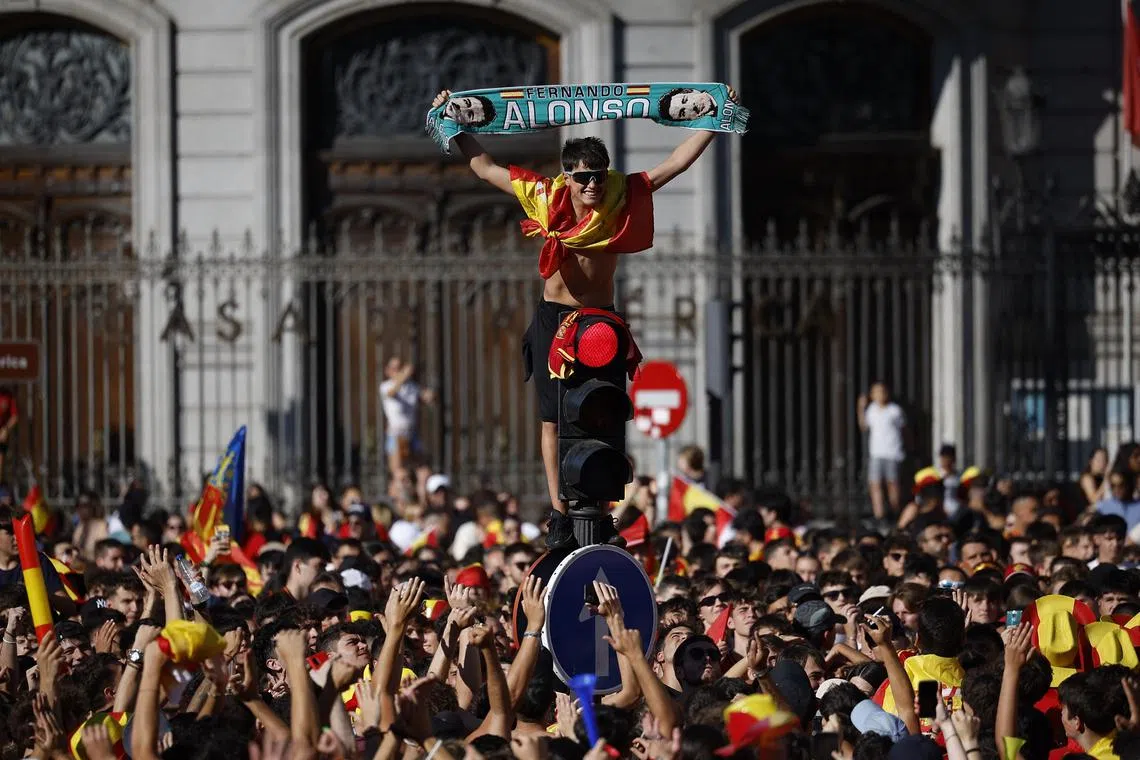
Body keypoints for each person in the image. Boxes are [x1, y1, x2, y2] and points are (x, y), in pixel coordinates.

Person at [433, 86, 735, 547]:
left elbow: (675, 162)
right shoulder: (543, 196)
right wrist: (451, 119)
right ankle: (558, 514)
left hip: (600, 323)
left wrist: (714, 118)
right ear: (567, 177)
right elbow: (484, 166)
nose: (592, 183)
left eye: (598, 174)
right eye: (583, 177)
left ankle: (606, 508)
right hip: (556, 320)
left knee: (608, 416)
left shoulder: (618, 194)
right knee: (552, 422)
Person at [857, 382, 906, 524]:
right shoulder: (871, 410)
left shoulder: (894, 410)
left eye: (882, 391)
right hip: (876, 453)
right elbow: (863, 426)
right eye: (876, 392)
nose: (880, 395)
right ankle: (879, 515)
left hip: (893, 452)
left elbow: (904, 430)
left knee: (892, 484)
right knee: (875, 484)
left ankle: (895, 512)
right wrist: (861, 408)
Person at [380, 357, 435, 476]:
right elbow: (391, 393)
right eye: (395, 369)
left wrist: (429, 395)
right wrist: (404, 375)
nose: (399, 371)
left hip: (411, 432)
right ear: (388, 371)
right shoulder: (386, 386)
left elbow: (424, 397)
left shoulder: (412, 387)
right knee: (398, 472)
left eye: (400, 368)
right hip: (395, 434)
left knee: (423, 470)